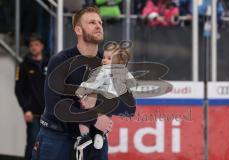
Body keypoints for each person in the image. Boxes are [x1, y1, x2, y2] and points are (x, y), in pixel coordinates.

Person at [31, 6, 136, 160]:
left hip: (94, 142)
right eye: (92, 22)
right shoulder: (60, 60)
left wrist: (99, 97)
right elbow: (54, 106)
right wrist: (94, 118)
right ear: (78, 30)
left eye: (100, 22)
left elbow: (128, 108)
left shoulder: (110, 63)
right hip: (57, 138)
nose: (98, 25)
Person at [75, 41, 137, 157]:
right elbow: (132, 83)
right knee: (105, 119)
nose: (104, 60)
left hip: (101, 98)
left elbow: (92, 83)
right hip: (111, 102)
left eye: (108, 58)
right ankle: (100, 136)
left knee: (84, 118)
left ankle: (84, 137)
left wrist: (81, 90)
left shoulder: (103, 70)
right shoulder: (123, 71)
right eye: (104, 57)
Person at [15, 34, 48, 160]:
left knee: (48, 144)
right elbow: (19, 90)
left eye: (36, 45)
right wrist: (25, 109)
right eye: (31, 45)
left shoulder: (49, 63)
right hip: (32, 114)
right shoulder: (23, 66)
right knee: (33, 143)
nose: (34, 47)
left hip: (48, 113)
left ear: (42, 46)